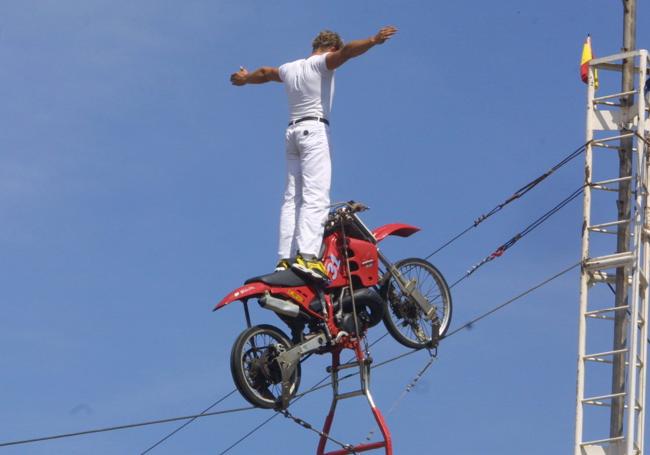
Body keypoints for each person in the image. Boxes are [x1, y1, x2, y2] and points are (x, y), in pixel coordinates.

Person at [230, 26, 397, 282]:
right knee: (315, 195)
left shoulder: (290, 68)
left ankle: (284, 259)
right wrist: (374, 40)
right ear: (331, 48)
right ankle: (308, 257)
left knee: (291, 198)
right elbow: (349, 52)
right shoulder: (322, 63)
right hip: (314, 130)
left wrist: (245, 78)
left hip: (292, 133)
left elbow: (265, 73)